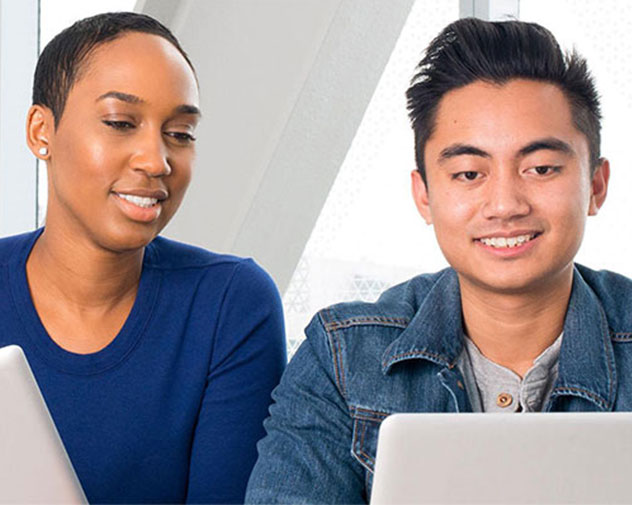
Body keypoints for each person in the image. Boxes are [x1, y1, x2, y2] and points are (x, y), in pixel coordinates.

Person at [245, 17, 623, 504]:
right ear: (424, 196)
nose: (505, 204)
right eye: (469, 173)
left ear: (595, 185)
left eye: (541, 168)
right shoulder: (342, 358)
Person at [0, 12, 286, 504]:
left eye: (180, 133)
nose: (156, 161)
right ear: (41, 131)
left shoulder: (229, 307)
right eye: (120, 123)